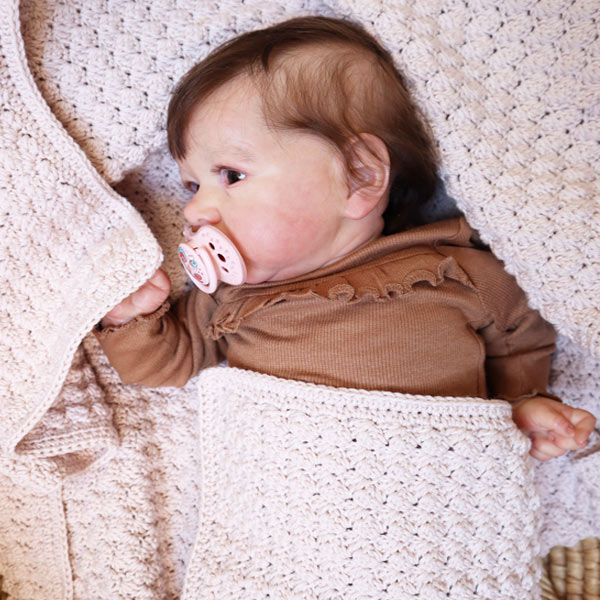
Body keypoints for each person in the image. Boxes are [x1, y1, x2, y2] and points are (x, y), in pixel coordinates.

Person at [95, 16, 595, 461]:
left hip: (440, 495)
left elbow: (521, 337)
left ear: (358, 176)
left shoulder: (453, 272)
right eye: (191, 185)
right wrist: (131, 317)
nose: (196, 209)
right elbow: (164, 362)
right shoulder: (230, 302)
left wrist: (522, 405)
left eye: (231, 175)